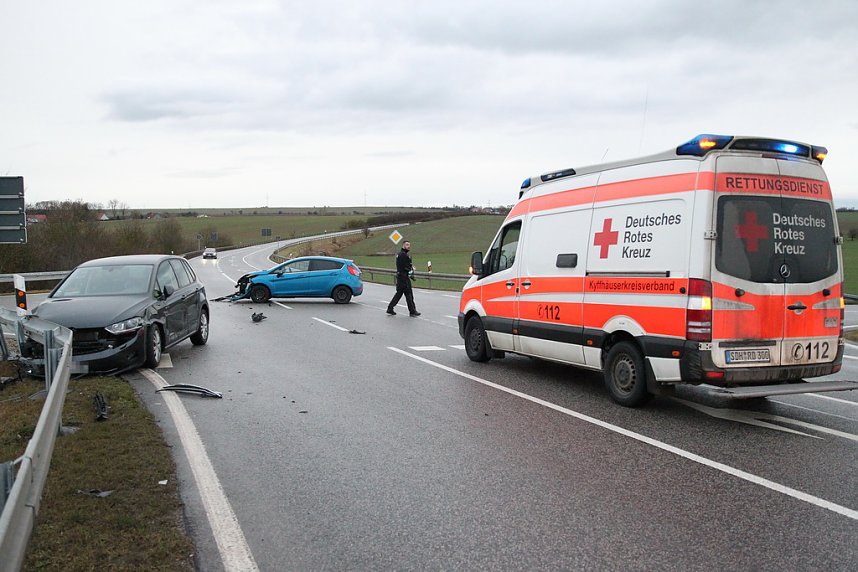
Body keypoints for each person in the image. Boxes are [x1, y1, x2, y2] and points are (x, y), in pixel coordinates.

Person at [387, 241, 420, 317]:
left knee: (399, 294)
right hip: (403, 277)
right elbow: (405, 267)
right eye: (407, 245)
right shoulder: (403, 255)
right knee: (409, 294)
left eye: (409, 245)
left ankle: (390, 308)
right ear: (403, 245)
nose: (409, 246)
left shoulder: (401, 254)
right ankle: (412, 311)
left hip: (401, 277)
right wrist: (411, 268)